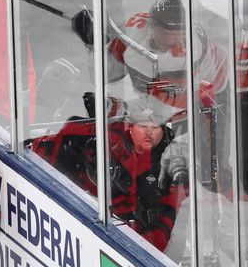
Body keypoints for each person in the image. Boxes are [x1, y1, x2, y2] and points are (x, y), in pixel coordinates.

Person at [78, 0, 248, 238]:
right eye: (164, 29)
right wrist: (94, 43)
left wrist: (120, 109)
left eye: (177, 31)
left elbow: (172, 109)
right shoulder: (134, 30)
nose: (171, 37)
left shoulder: (187, 56)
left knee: (219, 177)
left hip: (240, 92)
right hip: (204, 96)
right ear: (151, 23)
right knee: (163, 159)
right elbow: (109, 72)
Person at [30, 94, 187, 252]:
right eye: (143, 126)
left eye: (155, 127)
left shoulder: (169, 158)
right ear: (130, 127)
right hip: (91, 225)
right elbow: (60, 140)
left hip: (138, 243)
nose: (149, 133)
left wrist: (143, 249)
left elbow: (171, 210)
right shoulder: (107, 140)